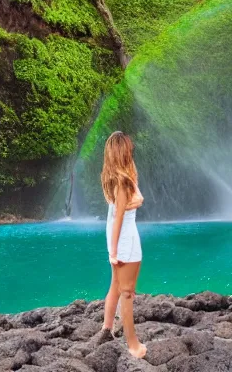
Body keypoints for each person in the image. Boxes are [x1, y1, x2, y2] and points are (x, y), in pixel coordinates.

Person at [100, 131, 147, 359]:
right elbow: (118, 218)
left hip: (119, 237)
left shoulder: (115, 178)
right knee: (127, 293)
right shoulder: (123, 182)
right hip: (125, 240)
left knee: (116, 287)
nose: (132, 153)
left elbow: (134, 201)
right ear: (123, 153)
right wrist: (114, 251)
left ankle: (106, 329)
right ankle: (133, 345)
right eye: (129, 150)